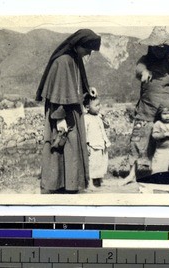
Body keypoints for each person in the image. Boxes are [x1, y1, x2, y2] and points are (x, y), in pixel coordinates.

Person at [35, 29, 101, 194]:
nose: (88, 54)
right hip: (61, 112)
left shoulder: (75, 58)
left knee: (71, 149)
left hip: (71, 110)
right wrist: (59, 119)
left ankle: (70, 184)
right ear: (78, 45)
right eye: (87, 50)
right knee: (61, 146)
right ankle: (57, 184)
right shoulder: (63, 61)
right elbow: (58, 93)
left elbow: (75, 85)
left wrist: (88, 89)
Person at [123, 28, 169, 184]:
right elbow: (139, 69)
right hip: (146, 109)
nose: (159, 51)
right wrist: (144, 72)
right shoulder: (144, 60)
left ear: (167, 48)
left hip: (167, 111)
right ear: (150, 47)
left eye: (161, 48)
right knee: (137, 141)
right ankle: (131, 175)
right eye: (155, 48)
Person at [83, 94, 111, 189]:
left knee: (101, 162)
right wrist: (86, 144)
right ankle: (90, 183)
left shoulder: (99, 116)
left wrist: (104, 118)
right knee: (92, 164)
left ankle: (100, 180)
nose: (99, 107)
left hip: (101, 143)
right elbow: (85, 132)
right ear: (87, 107)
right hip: (93, 144)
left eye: (99, 104)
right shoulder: (86, 118)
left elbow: (106, 126)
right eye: (96, 105)